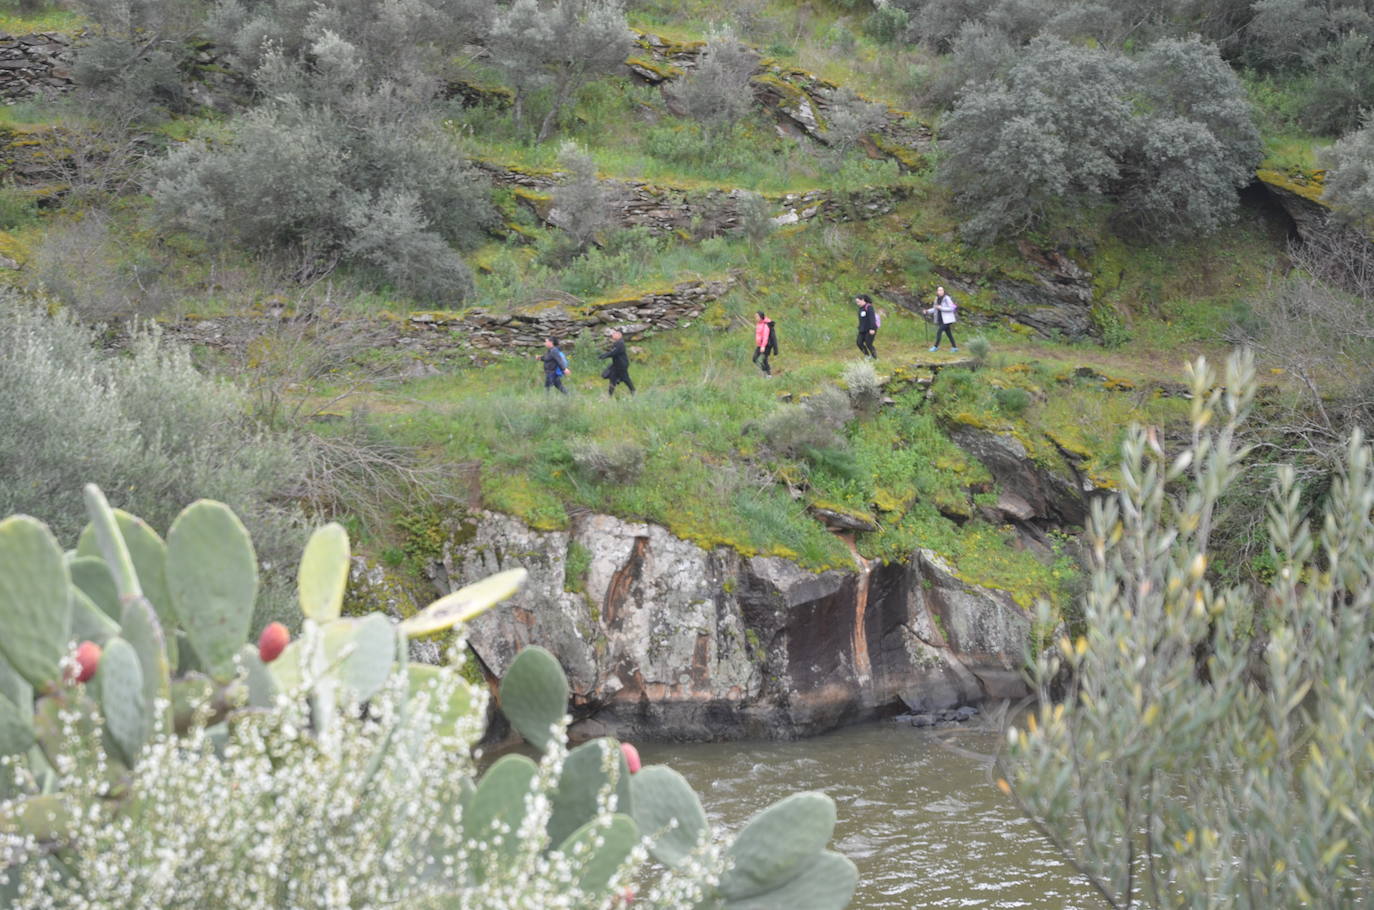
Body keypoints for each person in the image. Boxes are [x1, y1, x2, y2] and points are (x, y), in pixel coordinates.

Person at [598, 329, 635, 397]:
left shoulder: (620, 343)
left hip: (621, 365)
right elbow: (613, 352)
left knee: (625, 378)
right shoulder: (617, 343)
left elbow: (614, 353)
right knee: (612, 378)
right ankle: (610, 395)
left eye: (614, 334)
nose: (612, 335)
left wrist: (603, 356)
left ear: (619, 335)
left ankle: (633, 391)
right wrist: (603, 356)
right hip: (616, 365)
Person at [924, 286, 958, 352]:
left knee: (939, 331)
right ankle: (954, 347)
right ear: (937, 292)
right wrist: (927, 311)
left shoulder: (947, 298)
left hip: (948, 320)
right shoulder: (937, 299)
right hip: (941, 319)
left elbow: (952, 308)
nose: (940, 291)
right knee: (949, 334)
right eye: (939, 290)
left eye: (941, 290)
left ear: (944, 291)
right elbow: (935, 309)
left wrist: (941, 308)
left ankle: (935, 347)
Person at [753, 310, 775, 376]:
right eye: (755, 316)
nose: (755, 318)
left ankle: (768, 375)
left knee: (764, 360)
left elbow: (766, 337)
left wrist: (763, 346)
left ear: (761, 316)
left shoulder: (766, 325)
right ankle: (765, 371)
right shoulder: (758, 324)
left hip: (766, 345)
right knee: (754, 359)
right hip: (759, 345)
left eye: (757, 316)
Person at [855, 293, 878, 359]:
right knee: (859, 343)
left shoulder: (869, 307)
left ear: (862, 300)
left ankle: (875, 358)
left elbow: (872, 318)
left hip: (870, 329)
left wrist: (872, 328)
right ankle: (867, 356)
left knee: (868, 344)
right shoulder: (861, 308)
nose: (857, 303)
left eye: (858, 302)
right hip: (862, 329)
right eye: (856, 302)